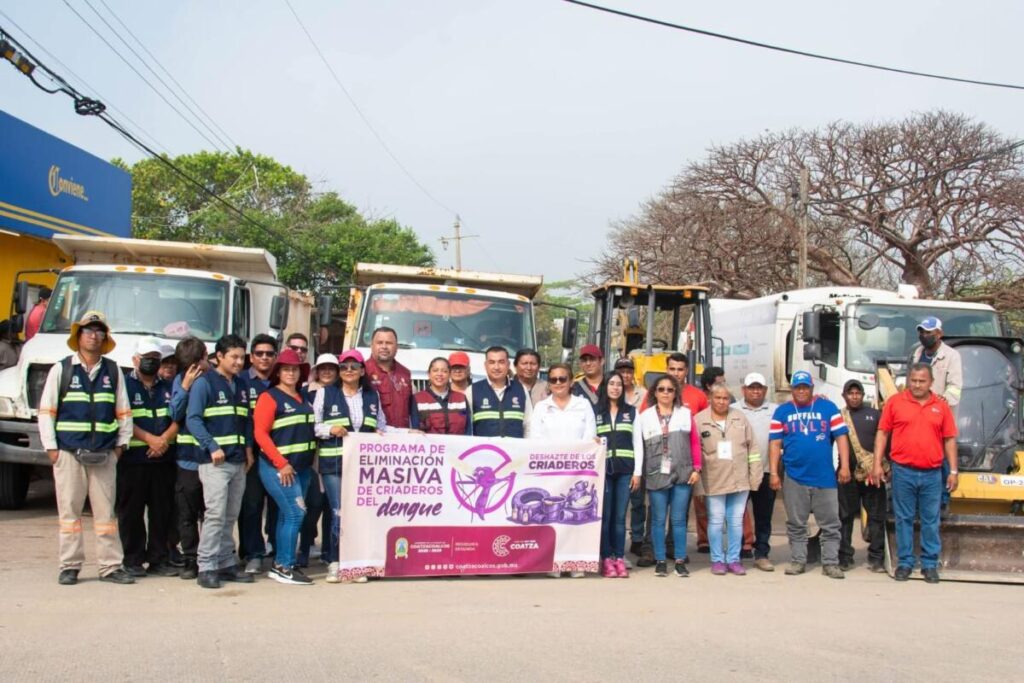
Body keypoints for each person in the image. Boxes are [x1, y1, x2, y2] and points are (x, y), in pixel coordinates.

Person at [38, 311, 134, 586]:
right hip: (69, 453)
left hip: (104, 454)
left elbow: (123, 412)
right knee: (70, 514)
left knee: (106, 516)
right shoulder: (62, 370)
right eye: (89, 331)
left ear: (105, 338)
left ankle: (110, 566)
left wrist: (120, 446)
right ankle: (69, 566)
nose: (94, 336)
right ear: (78, 336)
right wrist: (52, 449)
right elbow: (46, 411)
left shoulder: (113, 371)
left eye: (99, 332)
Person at [870, 363, 957, 583]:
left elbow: (949, 439)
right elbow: (882, 433)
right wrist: (877, 464)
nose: (917, 385)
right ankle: (905, 563)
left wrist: (953, 471)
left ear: (931, 382)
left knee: (931, 520)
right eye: (914, 380)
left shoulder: (941, 406)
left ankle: (930, 564)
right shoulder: (895, 403)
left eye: (922, 381)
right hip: (903, 472)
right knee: (903, 519)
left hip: (932, 474)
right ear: (908, 380)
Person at [185, 334, 254, 589]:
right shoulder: (204, 384)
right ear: (219, 357)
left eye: (242, 357)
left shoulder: (241, 384)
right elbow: (193, 419)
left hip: (237, 460)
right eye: (234, 357)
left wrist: (248, 450)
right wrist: (212, 446)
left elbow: (246, 420)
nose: (239, 362)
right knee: (214, 514)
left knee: (230, 514)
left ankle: (226, 562)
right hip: (214, 462)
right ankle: (206, 566)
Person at [768, 370, 851, 579]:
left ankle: (830, 563)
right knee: (797, 523)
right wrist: (774, 473)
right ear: (792, 390)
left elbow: (841, 437)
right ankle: (798, 561)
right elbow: (775, 443)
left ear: (812, 388)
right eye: (798, 387)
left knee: (830, 523)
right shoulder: (782, 412)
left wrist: (845, 466)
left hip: (824, 476)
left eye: (805, 387)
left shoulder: (828, 408)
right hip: (794, 476)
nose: (801, 391)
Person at [313, 349, 382, 584]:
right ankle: (336, 562)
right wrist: (329, 429)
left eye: (354, 367)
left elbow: (381, 426)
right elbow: (314, 425)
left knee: (360, 514)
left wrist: (407, 433)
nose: (349, 370)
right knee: (339, 512)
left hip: (363, 466)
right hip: (334, 463)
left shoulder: (372, 396)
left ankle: (357, 563)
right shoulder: (325, 393)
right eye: (344, 367)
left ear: (362, 371)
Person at [118, 337, 179, 577]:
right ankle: (132, 559)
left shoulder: (169, 387)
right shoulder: (123, 385)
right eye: (146, 358)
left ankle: (158, 559)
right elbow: (122, 417)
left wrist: (162, 440)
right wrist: (150, 439)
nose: (151, 362)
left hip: (163, 460)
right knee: (131, 512)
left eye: (155, 358)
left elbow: (178, 417)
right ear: (135, 360)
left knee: (161, 512)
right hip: (133, 460)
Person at [254, 349, 316, 585]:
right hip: (279, 468)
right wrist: (281, 464)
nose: (291, 373)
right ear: (278, 373)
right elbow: (260, 434)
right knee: (295, 513)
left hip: (302, 468)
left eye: (295, 369)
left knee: (286, 515)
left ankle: (281, 563)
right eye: (286, 369)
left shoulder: (303, 397)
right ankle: (285, 566)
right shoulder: (269, 397)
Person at [530, 362, 597, 578]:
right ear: (548, 383)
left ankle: (575, 562)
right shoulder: (541, 407)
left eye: (562, 379)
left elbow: (590, 436)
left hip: (578, 471)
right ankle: (554, 561)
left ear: (571, 381)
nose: (558, 383)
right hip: (550, 470)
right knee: (553, 517)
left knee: (576, 516)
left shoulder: (583, 405)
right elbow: (535, 438)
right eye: (553, 379)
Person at [633, 374, 701, 578]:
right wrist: (638, 473)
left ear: (675, 393)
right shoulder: (644, 417)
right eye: (661, 389)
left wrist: (697, 468)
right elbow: (638, 447)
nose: (665, 393)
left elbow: (695, 442)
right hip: (656, 472)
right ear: (654, 392)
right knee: (658, 519)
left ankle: (679, 560)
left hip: (683, 471)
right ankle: (660, 560)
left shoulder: (685, 414)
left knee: (678, 520)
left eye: (670, 390)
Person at [696, 385, 761, 575]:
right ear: (710, 398)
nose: (721, 402)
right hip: (713, 481)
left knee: (735, 521)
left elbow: (753, 448)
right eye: (718, 398)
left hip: (739, 480)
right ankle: (717, 559)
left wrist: (755, 476)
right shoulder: (699, 420)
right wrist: (698, 486)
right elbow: (695, 455)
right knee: (716, 521)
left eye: (725, 398)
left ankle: (733, 559)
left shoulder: (739, 418)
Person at [909, 316, 962, 515]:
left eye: (928, 332)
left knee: (942, 458)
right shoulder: (917, 353)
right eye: (922, 332)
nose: (924, 335)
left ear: (939, 334)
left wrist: (941, 401)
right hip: (917, 415)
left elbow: (955, 387)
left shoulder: (951, 356)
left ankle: (943, 500)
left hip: (939, 416)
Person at [169, 337, 208, 580]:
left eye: (197, 363)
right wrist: (184, 387)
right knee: (187, 514)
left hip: (212, 458)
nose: (194, 369)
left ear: (205, 357)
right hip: (187, 460)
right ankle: (191, 558)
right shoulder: (180, 380)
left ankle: (210, 558)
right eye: (188, 366)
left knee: (212, 514)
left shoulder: (215, 379)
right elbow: (174, 413)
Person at [239, 333, 278, 574]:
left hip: (276, 454)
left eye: (269, 354)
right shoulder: (241, 380)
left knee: (276, 505)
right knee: (251, 505)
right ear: (251, 357)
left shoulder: (281, 380)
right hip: (250, 453)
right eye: (259, 353)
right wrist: (246, 448)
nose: (264, 357)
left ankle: (275, 550)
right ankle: (252, 553)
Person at [838, 379, 887, 572]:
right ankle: (844, 557)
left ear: (863, 395)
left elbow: (885, 441)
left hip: (871, 474)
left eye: (857, 393)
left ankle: (876, 557)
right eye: (850, 393)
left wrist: (884, 467)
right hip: (847, 474)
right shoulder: (839, 416)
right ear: (844, 396)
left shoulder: (875, 415)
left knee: (876, 517)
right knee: (844, 516)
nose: (854, 397)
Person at [596, 371, 639, 578]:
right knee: (605, 517)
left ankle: (619, 557)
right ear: (605, 386)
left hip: (625, 471)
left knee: (620, 518)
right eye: (611, 383)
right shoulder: (596, 411)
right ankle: (606, 558)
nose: (615, 388)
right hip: (603, 472)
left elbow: (637, 444)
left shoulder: (631, 412)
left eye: (619, 384)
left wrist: (637, 472)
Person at [737, 372, 779, 572]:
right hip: (739, 473)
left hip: (766, 470)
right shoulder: (733, 409)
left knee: (763, 516)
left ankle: (761, 554)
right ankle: (735, 553)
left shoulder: (776, 410)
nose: (755, 391)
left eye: (759, 388)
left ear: (765, 390)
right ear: (743, 389)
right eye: (751, 387)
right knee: (736, 515)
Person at [468, 346, 530, 438]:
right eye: (492, 362)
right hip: (484, 447)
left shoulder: (520, 389)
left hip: (515, 447)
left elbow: (529, 425)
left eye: (501, 362)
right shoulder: (472, 390)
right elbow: (468, 428)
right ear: (485, 365)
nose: (496, 367)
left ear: (508, 364)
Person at [365, 326, 413, 429]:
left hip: (403, 435)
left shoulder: (405, 373)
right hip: (374, 435)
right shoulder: (363, 372)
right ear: (371, 346)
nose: (384, 347)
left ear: (397, 347)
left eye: (389, 343)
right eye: (379, 343)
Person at [411, 357, 470, 435]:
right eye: (435, 370)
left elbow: (468, 429)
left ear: (449, 374)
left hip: (459, 443)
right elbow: (415, 429)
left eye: (444, 371)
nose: (439, 374)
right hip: (429, 443)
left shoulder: (461, 398)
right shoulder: (418, 399)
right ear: (429, 374)